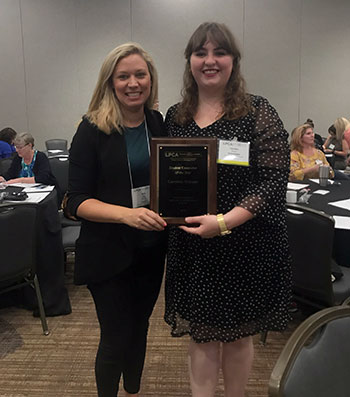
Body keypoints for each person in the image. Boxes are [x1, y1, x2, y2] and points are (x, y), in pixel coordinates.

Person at [164, 22, 291, 397]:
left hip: (245, 243)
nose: (209, 60)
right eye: (200, 53)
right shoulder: (177, 116)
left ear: (233, 61)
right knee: (201, 337)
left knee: (237, 338)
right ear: (189, 61)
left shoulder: (256, 111)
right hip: (193, 246)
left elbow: (272, 181)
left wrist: (223, 222)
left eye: (219, 52)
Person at [67, 43, 167, 397]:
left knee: (140, 327)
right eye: (123, 76)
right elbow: (74, 202)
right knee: (115, 336)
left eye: (140, 74)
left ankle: (134, 390)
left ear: (151, 80)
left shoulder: (158, 123)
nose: (133, 83)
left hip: (151, 250)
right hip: (107, 253)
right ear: (110, 82)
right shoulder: (91, 128)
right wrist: (127, 215)